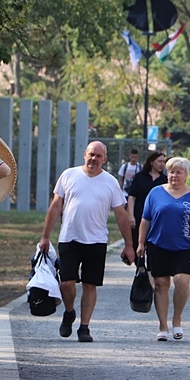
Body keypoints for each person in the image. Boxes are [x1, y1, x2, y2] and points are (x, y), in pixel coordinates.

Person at [39, 141, 135, 342]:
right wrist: (45, 236)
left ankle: (84, 327)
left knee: (90, 285)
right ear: (84, 154)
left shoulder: (110, 182)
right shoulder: (69, 175)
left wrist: (128, 245)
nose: (94, 159)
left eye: (99, 156)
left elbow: (121, 214)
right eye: (91, 154)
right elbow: (56, 206)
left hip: (97, 241)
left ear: (105, 159)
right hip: (69, 237)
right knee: (66, 282)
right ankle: (69, 311)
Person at [137, 156, 190, 341]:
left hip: (184, 246)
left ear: (186, 175)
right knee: (161, 284)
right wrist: (140, 243)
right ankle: (163, 326)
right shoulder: (155, 193)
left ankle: (177, 319)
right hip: (158, 245)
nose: (174, 175)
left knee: (182, 281)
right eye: (171, 171)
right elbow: (145, 220)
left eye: (178, 172)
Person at [126, 150, 167, 252]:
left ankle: (151, 267)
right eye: (159, 161)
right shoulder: (140, 177)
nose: (162, 164)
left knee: (153, 246)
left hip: (156, 217)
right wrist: (130, 215)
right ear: (151, 162)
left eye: (163, 162)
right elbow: (132, 196)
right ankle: (140, 266)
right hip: (139, 214)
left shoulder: (165, 180)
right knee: (137, 243)